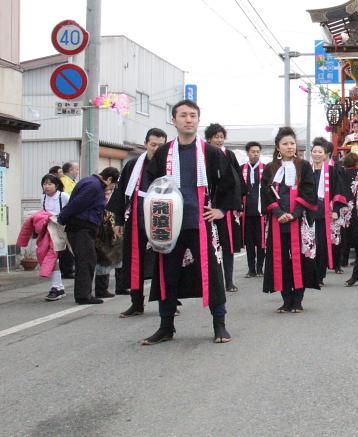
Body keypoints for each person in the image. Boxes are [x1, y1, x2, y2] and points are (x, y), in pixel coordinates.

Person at [142, 99, 238, 345]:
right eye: (183, 115)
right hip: (169, 225)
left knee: (213, 274)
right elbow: (149, 186)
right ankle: (166, 326)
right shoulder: (164, 153)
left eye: (193, 115)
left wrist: (221, 209)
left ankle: (219, 324)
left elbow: (231, 184)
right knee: (167, 275)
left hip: (202, 224)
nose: (188, 119)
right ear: (173, 120)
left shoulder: (211, 152)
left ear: (198, 120)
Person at [108, 128, 168, 317]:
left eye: (161, 145)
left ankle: (168, 303)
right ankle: (136, 302)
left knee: (165, 262)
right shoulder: (133, 165)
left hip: (162, 219)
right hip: (137, 219)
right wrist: (118, 219)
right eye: (153, 145)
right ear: (145, 144)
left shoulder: (170, 165)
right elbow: (121, 192)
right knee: (135, 262)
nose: (157, 149)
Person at [261, 127, 320, 313]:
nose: (289, 147)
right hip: (278, 221)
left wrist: (294, 214)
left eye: (292, 143)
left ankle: (298, 300)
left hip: (298, 220)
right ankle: (286, 299)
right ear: (278, 147)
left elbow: (309, 191)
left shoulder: (304, 166)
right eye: (285, 144)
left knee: (300, 259)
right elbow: (266, 193)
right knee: (281, 260)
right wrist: (279, 213)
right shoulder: (270, 168)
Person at [57, 166, 120, 304]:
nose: (111, 188)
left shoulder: (91, 182)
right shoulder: (94, 186)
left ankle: (86, 294)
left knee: (89, 259)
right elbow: (77, 204)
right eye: (112, 184)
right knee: (86, 261)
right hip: (81, 227)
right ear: (109, 179)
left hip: (84, 227)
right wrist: (62, 218)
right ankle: (83, 296)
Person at [205, 124, 244, 292]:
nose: (219, 139)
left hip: (225, 208)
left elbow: (237, 180)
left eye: (221, 136)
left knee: (227, 245)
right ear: (209, 138)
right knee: (209, 245)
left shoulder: (229, 155)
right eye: (216, 136)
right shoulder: (203, 154)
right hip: (207, 205)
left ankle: (228, 280)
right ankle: (212, 281)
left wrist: (238, 204)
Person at [28, 174, 69, 301]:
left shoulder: (64, 196)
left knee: (53, 257)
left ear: (56, 185)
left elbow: (71, 210)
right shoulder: (43, 198)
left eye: (49, 184)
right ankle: (58, 287)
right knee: (49, 257)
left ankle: (56, 287)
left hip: (60, 229)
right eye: (45, 184)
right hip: (47, 230)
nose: (47, 186)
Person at [311, 137, 343, 284]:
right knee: (311, 243)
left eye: (320, 152)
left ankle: (320, 276)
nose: (317, 154)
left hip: (325, 211)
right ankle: (310, 273)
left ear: (325, 154)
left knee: (323, 244)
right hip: (309, 212)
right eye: (315, 151)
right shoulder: (306, 169)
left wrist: (336, 209)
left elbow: (338, 190)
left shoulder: (331, 170)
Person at [336, 153, 358, 271]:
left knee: (344, 233)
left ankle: (343, 259)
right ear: (356, 162)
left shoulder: (342, 173)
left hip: (345, 206)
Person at [242, 141, 267, 278]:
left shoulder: (265, 168)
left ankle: (260, 268)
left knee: (261, 241)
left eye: (258, 151)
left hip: (260, 211)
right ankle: (251, 269)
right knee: (249, 242)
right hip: (247, 211)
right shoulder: (241, 169)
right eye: (253, 151)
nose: (256, 154)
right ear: (248, 153)